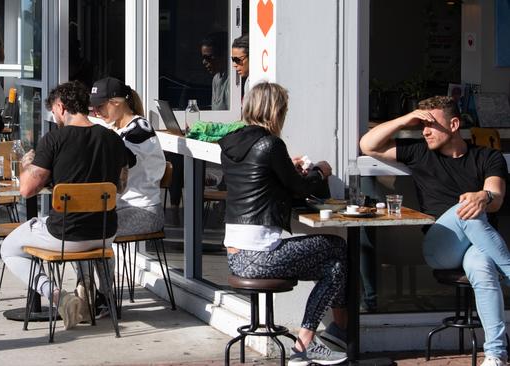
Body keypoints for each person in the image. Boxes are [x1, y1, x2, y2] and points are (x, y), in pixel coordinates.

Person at [360, 96, 509, 366]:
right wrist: (408, 119)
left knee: (482, 265)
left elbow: (496, 196)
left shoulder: (487, 156)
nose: (424, 131)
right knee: (467, 209)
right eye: (421, 125)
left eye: (430, 124)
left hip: (477, 246)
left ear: (454, 124)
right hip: (440, 247)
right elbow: (367, 144)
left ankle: (496, 354)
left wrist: (483, 197)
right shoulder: (419, 152)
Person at [218, 82, 348, 366]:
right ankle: (313, 341)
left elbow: (258, 180)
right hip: (261, 257)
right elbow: (299, 188)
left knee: (333, 268)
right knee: (337, 245)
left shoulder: (230, 144)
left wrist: (286, 165)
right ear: (276, 111)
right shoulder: (270, 143)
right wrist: (319, 171)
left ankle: (308, 343)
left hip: (235, 256)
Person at [0, 80, 131, 327]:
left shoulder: (54, 139)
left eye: (53, 111)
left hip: (65, 236)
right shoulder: (113, 139)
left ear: (61, 107)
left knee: (8, 248)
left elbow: (26, 190)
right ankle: (93, 294)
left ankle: (59, 296)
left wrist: (27, 164)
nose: (54, 116)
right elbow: (121, 187)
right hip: (105, 234)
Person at [90, 77, 166, 236]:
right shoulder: (116, 128)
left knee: (87, 232)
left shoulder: (140, 128)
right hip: (119, 207)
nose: (96, 112)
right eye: (93, 108)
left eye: (100, 106)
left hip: (144, 211)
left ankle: (102, 261)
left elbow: (122, 161)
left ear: (116, 102)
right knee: (75, 227)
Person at [201, 32, 229, 110]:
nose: (204, 62)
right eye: (203, 58)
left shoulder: (233, 81)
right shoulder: (216, 79)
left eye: (208, 57)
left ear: (224, 55)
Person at [231, 34, 250, 98]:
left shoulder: (261, 84)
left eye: (238, 60)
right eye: (233, 59)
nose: (234, 65)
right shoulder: (248, 81)